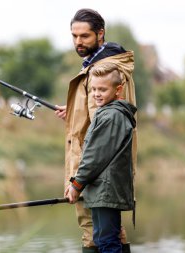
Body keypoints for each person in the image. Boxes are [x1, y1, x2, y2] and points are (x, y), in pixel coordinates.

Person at [55, 8, 137, 253]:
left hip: (95, 173)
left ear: (101, 34)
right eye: (74, 36)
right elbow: (96, 116)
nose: (78, 42)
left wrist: (78, 181)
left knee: (94, 234)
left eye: (85, 36)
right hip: (101, 173)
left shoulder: (103, 70)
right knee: (109, 234)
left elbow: (101, 133)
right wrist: (73, 111)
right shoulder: (104, 66)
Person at [65, 62, 136, 253]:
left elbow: (94, 157)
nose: (96, 93)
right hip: (102, 191)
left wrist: (76, 184)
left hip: (106, 192)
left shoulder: (111, 116)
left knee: (107, 241)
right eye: (94, 89)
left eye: (102, 89)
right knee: (103, 238)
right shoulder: (106, 114)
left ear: (118, 90)